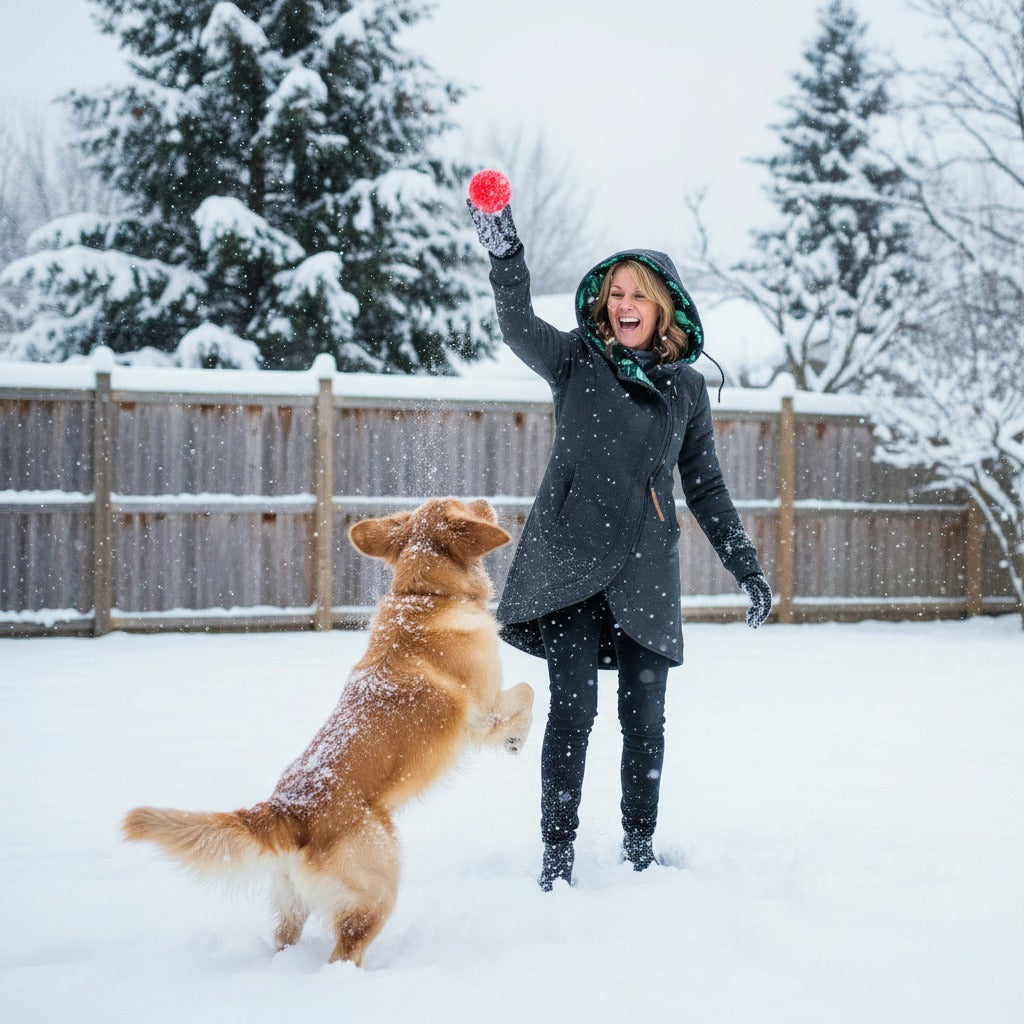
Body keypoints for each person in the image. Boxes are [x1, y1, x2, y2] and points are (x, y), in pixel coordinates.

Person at [466, 174, 773, 891]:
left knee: (646, 720)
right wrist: (504, 248)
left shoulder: (686, 388)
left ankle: (639, 851)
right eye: (615, 293)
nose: (624, 304)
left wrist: (746, 566)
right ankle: (557, 857)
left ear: (663, 305)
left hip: (645, 567)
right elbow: (516, 324)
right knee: (573, 713)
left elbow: (706, 486)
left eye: (637, 294)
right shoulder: (575, 358)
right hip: (570, 559)